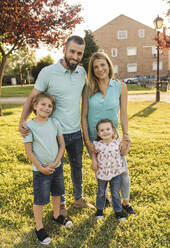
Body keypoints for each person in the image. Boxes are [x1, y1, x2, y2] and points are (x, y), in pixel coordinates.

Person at [19, 35, 95, 216]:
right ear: (64, 49)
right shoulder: (47, 72)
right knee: (56, 169)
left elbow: (89, 95)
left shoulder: (82, 73)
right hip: (54, 134)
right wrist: (22, 120)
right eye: (72, 52)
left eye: (79, 53)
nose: (75, 56)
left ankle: (78, 198)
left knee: (77, 167)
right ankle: (60, 204)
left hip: (75, 131)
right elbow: (32, 98)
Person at [81, 52, 136, 215]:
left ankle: (126, 202)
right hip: (94, 138)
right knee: (100, 170)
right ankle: (105, 197)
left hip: (113, 139)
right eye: (95, 67)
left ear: (109, 65)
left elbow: (124, 113)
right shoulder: (88, 88)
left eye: (102, 65)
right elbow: (83, 117)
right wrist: (88, 141)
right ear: (92, 70)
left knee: (123, 170)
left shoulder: (120, 86)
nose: (100, 69)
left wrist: (126, 135)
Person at [23, 92, 72, 245]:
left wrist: (57, 162)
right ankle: (39, 227)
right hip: (40, 170)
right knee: (40, 199)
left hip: (56, 167)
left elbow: (62, 145)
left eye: (50, 106)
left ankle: (57, 215)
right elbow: (29, 151)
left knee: (57, 192)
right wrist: (40, 168)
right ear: (35, 106)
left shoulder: (55, 123)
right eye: (43, 104)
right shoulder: (29, 127)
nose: (46, 108)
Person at [92, 119, 127, 221]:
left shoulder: (118, 142)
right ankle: (99, 209)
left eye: (108, 129)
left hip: (116, 173)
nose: (105, 132)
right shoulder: (97, 144)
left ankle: (118, 211)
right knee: (101, 192)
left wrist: (128, 142)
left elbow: (124, 152)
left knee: (115, 192)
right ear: (98, 133)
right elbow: (93, 152)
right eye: (102, 130)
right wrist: (94, 161)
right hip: (102, 173)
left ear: (113, 131)